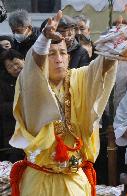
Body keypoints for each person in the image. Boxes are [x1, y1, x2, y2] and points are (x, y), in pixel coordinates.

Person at [9, 11, 117, 196]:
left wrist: (117, 45)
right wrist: (43, 40)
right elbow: (32, 69)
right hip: (39, 181)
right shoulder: (30, 83)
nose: (59, 58)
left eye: (63, 53)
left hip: (73, 178)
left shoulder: (78, 78)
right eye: (51, 53)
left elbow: (99, 71)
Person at [0, 49, 25, 163]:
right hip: (13, 129)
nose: (15, 68)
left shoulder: (35, 76)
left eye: (16, 63)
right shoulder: (3, 83)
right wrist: (21, 105)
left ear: (23, 60)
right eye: (10, 67)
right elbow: (2, 107)